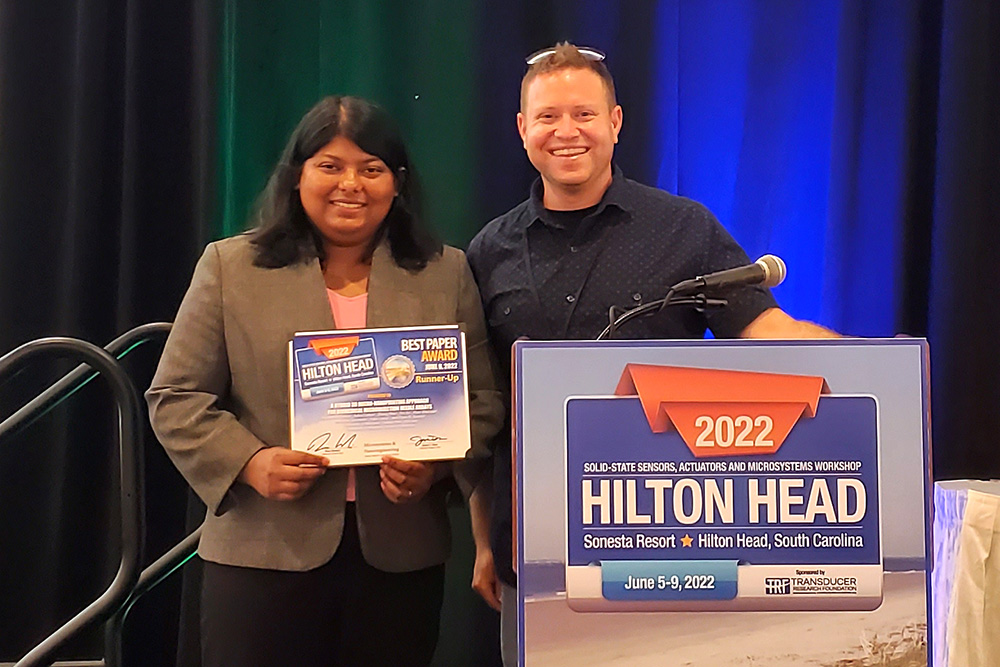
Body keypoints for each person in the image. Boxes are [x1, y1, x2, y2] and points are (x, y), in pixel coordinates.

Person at [465, 42, 838, 665]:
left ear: (614, 123)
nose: (566, 132)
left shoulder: (683, 227)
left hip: (663, 544)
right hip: (530, 548)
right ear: (523, 129)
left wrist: (871, 366)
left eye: (584, 114)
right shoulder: (488, 250)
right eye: (548, 116)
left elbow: (765, 327)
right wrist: (483, 540)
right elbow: (485, 407)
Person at [146, 95, 504, 667]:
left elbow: (483, 400)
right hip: (262, 554)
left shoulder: (445, 271)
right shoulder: (230, 267)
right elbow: (175, 397)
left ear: (398, 182)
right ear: (297, 176)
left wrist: (434, 464)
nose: (351, 185)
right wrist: (249, 462)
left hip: (400, 558)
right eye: (330, 166)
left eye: (371, 169)